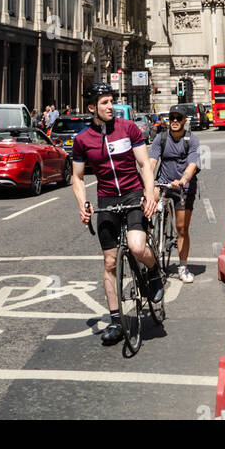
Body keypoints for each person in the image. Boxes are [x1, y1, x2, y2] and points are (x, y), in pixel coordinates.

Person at [71, 83, 163, 346]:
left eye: (111, 101)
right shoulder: (82, 140)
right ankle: (116, 321)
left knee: (136, 246)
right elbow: (77, 178)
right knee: (110, 263)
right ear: (92, 108)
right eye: (104, 102)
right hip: (107, 198)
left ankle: (153, 270)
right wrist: (82, 204)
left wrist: (149, 194)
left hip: (133, 193)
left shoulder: (128, 128)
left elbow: (144, 164)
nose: (111, 106)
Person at [149, 106, 200, 283]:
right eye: (172, 118)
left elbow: (192, 164)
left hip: (183, 187)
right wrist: (148, 184)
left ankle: (183, 266)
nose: (175, 121)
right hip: (163, 183)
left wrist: (183, 181)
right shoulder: (160, 138)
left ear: (185, 120)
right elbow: (151, 163)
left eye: (179, 118)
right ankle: (148, 248)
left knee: (181, 228)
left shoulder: (191, 139)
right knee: (145, 207)